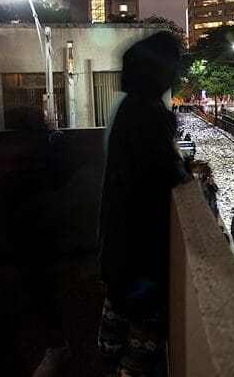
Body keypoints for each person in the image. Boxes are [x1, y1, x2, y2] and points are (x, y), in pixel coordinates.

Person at [97, 31, 187, 376]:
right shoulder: (149, 114)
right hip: (143, 253)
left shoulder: (127, 108)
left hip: (119, 248)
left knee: (112, 336)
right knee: (140, 349)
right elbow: (168, 172)